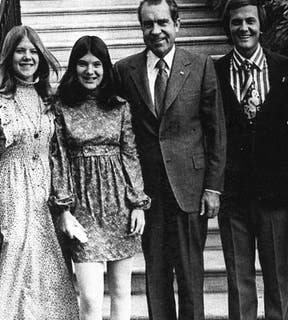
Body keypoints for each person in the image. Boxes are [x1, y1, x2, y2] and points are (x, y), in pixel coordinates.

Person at [113, 0, 226, 318]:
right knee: (156, 276)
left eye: (162, 22)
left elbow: (216, 131)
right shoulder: (125, 71)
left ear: (178, 24)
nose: (156, 30)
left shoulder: (201, 65)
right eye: (148, 24)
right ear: (141, 28)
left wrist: (213, 187)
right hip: (148, 192)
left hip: (190, 190)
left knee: (191, 278)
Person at [0, 25, 79, 319]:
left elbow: (58, 152)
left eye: (33, 51)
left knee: (50, 269)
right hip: (13, 192)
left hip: (46, 193)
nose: (27, 57)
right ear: (9, 56)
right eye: (20, 51)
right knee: (18, 269)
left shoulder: (49, 99)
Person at [54, 35, 150, 320]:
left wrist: (137, 204)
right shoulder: (62, 107)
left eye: (97, 64)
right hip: (83, 209)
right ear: (74, 68)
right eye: (82, 64)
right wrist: (64, 209)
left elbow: (130, 155)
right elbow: (58, 157)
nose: (90, 71)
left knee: (121, 292)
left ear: (106, 68)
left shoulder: (120, 106)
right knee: (91, 298)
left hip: (119, 206)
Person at [212, 1, 288, 319]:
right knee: (238, 280)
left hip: (273, 192)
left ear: (261, 25)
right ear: (228, 27)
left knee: (277, 277)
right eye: (236, 22)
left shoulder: (286, 69)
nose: (243, 28)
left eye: (250, 21)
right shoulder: (215, 72)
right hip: (232, 194)